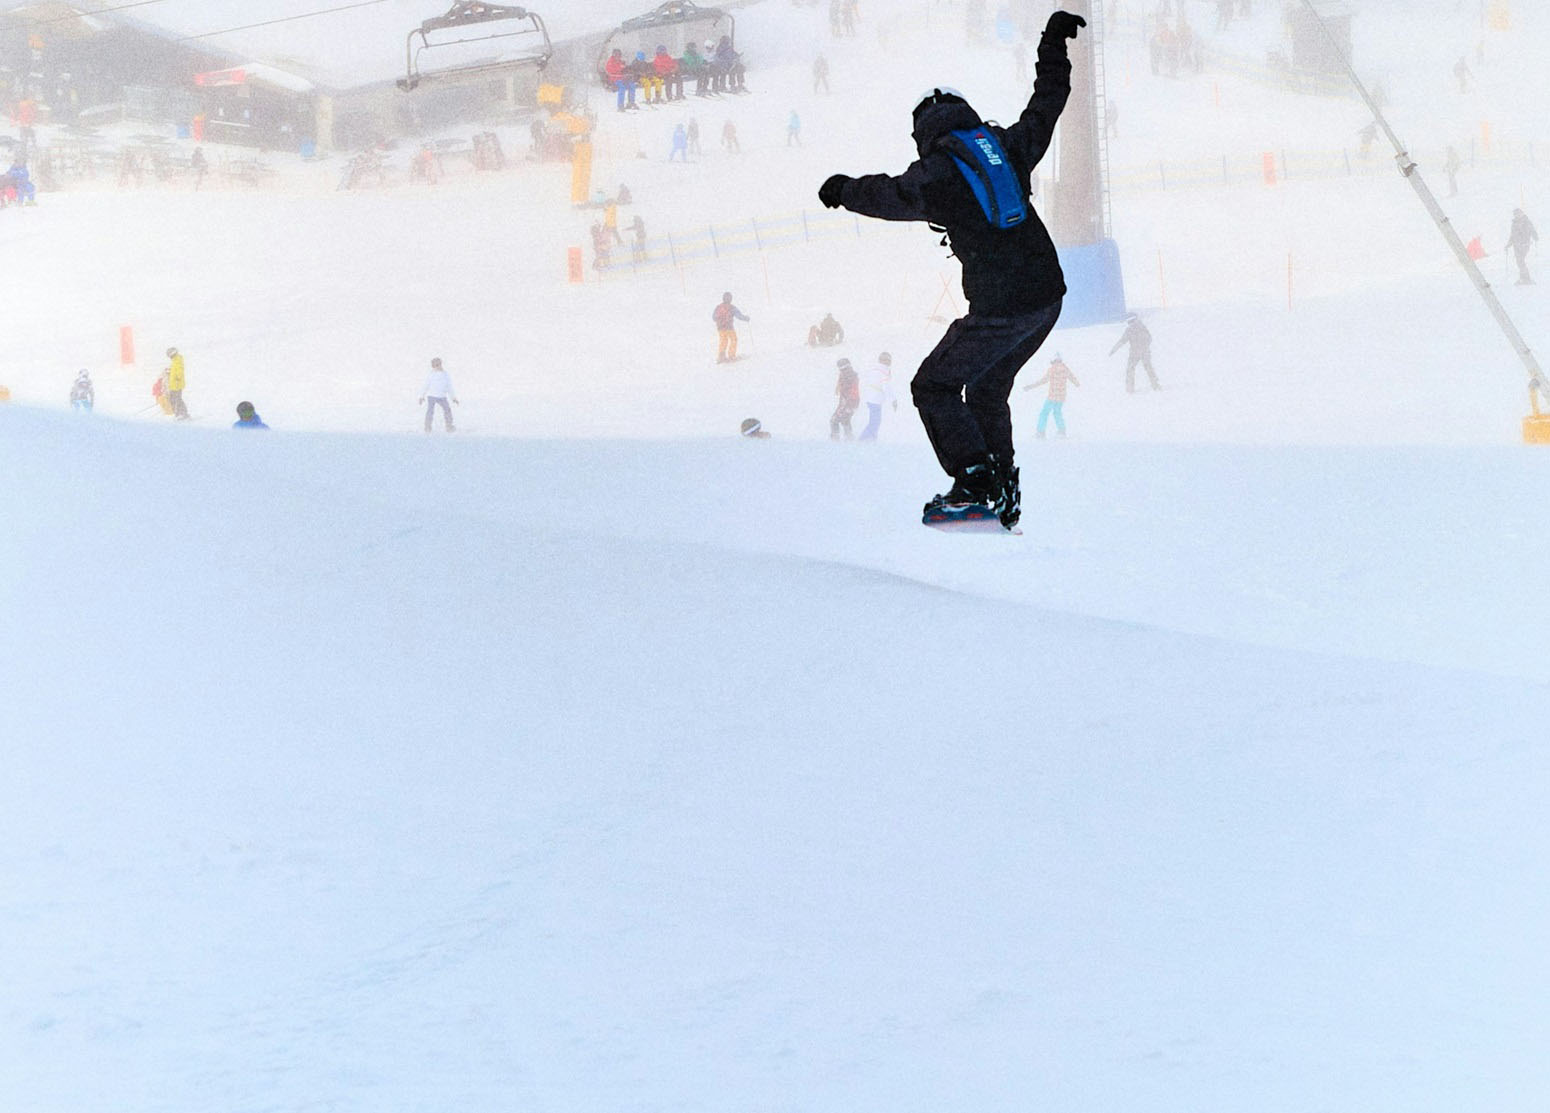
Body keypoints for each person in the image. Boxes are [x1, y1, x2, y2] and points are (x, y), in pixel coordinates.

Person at [816, 10, 1086, 529]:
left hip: (1002, 308)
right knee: (985, 387)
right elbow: (1046, 105)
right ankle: (1002, 487)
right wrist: (1052, 45)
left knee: (933, 386)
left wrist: (842, 189)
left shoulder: (935, 174)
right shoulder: (1004, 147)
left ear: (923, 131)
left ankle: (974, 487)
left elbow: (889, 195)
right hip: (1048, 298)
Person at [1023, 353, 1080, 437]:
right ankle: (1062, 431)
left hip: (1052, 396)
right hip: (1061, 396)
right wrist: (1078, 385)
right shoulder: (1065, 369)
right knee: (1057, 412)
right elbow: (1073, 379)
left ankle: (1040, 432)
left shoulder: (1052, 369)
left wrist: (1030, 387)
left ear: (1053, 361)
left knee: (1044, 413)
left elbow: (1043, 381)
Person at [1110, 314, 1161, 391]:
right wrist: (1114, 349)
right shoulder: (1136, 328)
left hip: (1139, 352)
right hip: (1139, 352)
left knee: (1137, 369)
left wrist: (1114, 350)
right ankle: (1153, 385)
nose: (1129, 324)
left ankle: (1133, 388)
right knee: (1144, 368)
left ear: (1133, 320)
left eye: (1130, 321)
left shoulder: (1135, 329)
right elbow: (1149, 338)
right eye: (1128, 322)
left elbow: (1123, 341)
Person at [859, 352, 899, 442]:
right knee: (875, 422)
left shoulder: (875, 369)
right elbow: (886, 387)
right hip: (875, 399)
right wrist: (893, 400)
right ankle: (864, 439)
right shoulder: (883, 372)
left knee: (875, 421)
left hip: (871, 397)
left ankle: (870, 437)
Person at [419, 357, 459, 432]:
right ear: (433, 366)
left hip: (442, 397)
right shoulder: (431, 375)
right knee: (430, 412)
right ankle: (427, 427)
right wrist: (421, 396)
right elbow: (425, 385)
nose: (438, 367)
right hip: (432, 396)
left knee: (447, 411)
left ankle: (449, 426)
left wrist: (453, 398)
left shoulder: (445, 375)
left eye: (439, 365)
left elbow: (449, 386)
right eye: (436, 365)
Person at [712, 292, 749, 363]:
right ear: (731, 299)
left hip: (720, 327)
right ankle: (731, 355)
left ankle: (721, 355)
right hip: (729, 327)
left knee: (723, 340)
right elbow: (739, 316)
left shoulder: (718, 307)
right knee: (733, 339)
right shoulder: (732, 307)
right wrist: (746, 318)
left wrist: (720, 320)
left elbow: (713, 317)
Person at [830, 357, 860, 440]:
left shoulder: (849, 376)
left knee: (835, 420)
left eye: (843, 368)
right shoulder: (846, 375)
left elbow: (852, 391)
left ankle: (838, 439)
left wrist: (849, 403)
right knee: (844, 420)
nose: (842, 371)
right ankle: (848, 438)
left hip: (849, 402)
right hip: (849, 402)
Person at [1507, 207, 1538, 285]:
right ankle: (1523, 278)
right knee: (1519, 262)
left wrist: (1535, 236)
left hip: (1524, 244)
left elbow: (1532, 230)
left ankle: (1526, 279)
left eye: (1518, 213)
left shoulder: (1526, 221)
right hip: (1516, 246)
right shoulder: (1514, 223)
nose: (1517, 215)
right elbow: (1512, 235)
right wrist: (1508, 244)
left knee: (1520, 261)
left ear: (1521, 213)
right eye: (1515, 214)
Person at [165, 347, 190, 420]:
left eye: (169, 355)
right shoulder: (175, 360)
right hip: (174, 384)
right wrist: (169, 372)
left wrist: (177, 378)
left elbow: (179, 370)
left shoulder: (177, 360)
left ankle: (182, 414)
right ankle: (179, 413)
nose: (169, 357)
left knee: (177, 399)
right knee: (173, 399)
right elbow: (175, 370)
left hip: (177, 384)